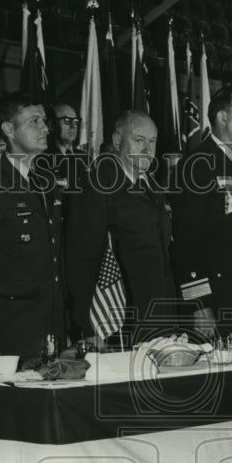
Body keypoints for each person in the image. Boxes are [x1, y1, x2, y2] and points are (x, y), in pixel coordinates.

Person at [0, 92, 65, 360]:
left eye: (44, 121)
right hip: (13, 328)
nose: (45, 128)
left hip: (52, 325)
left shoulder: (48, 184)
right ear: (9, 130)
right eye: (34, 122)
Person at [66, 111, 174, 344]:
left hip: (159, 318)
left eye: (152, 141)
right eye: (139, 140)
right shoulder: (99, 185)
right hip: (119, 320)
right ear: (117, 141)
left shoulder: (153, 187)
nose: (148, 149)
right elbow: (83, 259)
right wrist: (87, 325)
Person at [171, 86, 232, 335]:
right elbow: (186, 241)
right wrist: (199, 304)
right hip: (217, 301)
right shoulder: (196, 164)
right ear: (222, 118)